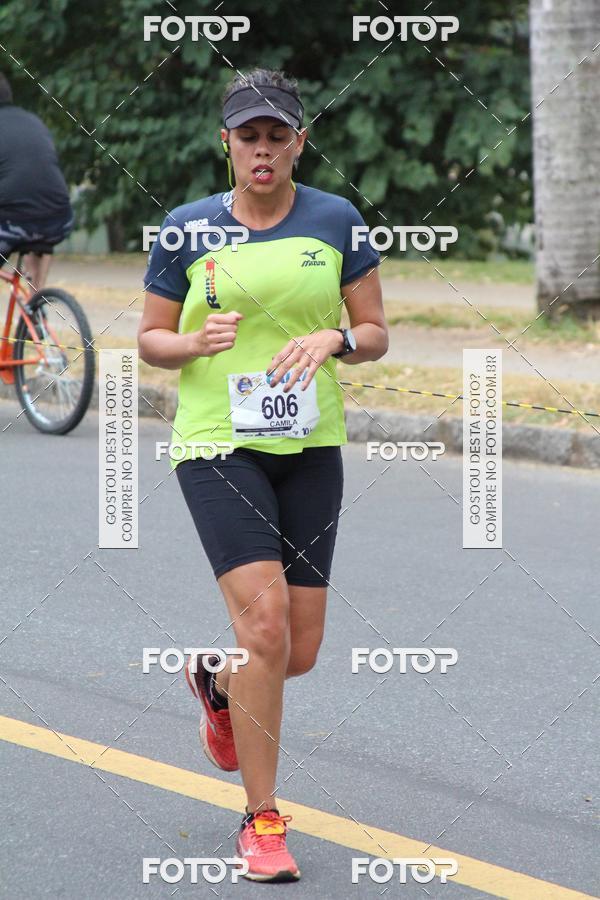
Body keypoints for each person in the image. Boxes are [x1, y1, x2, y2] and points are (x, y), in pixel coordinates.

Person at [138, 68, 388, 883]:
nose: (264, 150)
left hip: (311, 445)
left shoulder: (337, 220)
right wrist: (195, 342)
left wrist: (334, 342)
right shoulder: (185, 230)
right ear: (228, 145)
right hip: (217, 444)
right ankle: (262, 820)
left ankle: (215, 684)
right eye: (249, 136)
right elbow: (150, 340)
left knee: (298, 652)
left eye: (279, 136)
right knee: (268, 628)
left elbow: (376, 330)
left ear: (299, 142)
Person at [0, 73, 73, 290]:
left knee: (21, 217)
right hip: (60, 219)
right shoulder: (32, 120)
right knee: (32, 225)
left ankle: (34, 304)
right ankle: (36, 304)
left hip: (13, 223)